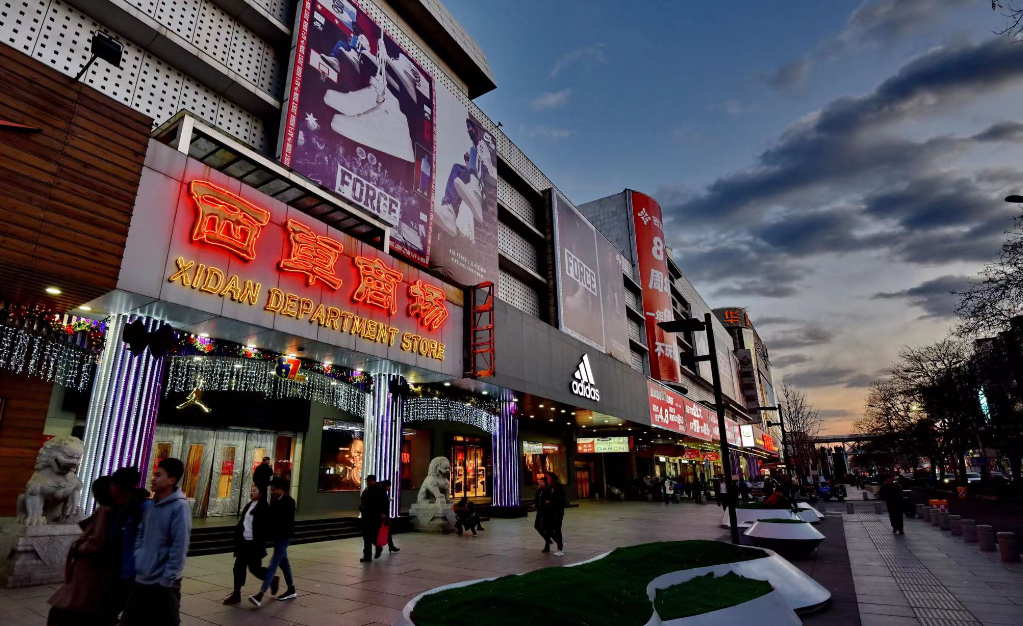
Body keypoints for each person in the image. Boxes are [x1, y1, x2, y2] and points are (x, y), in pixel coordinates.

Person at [119, 458, 191, 626]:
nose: (153, 479)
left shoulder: (180, 507)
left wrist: (167, 579)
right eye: (154, 474)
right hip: (142, 577)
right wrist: (139, 556)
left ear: (171, 480)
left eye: (158, 475)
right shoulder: (151, 504)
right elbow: (141, 532)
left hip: (164, 583)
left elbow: (179, 547)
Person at [47, 476, 116, 626]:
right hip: (88, 571)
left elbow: (97, 540)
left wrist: (79, 547)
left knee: (67, 607)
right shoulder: (108, 511)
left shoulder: (105, 512)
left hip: (88, 569)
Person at [105, 467, 151, 624]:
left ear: (119, 486)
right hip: (118, 570)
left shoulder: (144, 508)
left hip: (133, 573)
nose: (110, 488)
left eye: (112, 484)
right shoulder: (119, 508)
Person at [223, 484, 274, 605]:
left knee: (255, 569)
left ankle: (271, 579)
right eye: (251, 490)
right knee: (238, 568)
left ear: (261, 493)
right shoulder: (249, 505)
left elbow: (265, 527)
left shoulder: (263, 507)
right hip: (244, 543)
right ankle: (236, 594)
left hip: (254, 545)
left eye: (254, 491)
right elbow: (243, 523)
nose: (251, 492)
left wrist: (260, 543)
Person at [251, 476, 297, 606]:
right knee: (284, 563)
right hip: (277, 537)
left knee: (273, 564)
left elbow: (287, 521)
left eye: (274, 489)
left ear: (281, 489)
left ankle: (260, 594)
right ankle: (291, 589)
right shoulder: (275, 501)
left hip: (284, 537)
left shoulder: (289, 501)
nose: (272, 491)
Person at [359, 474, 387, 562]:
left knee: (374, 535)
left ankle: (378, 547)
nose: (367, 482)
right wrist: (361, 508)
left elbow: (384, 502)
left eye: (369, 481)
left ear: (373, 481)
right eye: (367, 481)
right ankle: (367, 556)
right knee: (366, 536)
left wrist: (383, 513)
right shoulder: (366, 490)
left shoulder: (379, 490)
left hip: (375, 516)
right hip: (366, 516)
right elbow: (363, 500)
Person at [543, 473, 566, 557]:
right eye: (547, 478)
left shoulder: (559, 487)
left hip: (558, 513)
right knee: (548, 529)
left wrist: (551, 502)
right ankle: (560, 543)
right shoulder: (549, 488)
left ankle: (560, 549)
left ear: (553, 479)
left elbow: (561, 500)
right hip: (550, 512)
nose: (548, 480)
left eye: (549, 478)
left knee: (557, 530)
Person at [381, 480, 400, 553]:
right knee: (386, 531)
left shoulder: (383, 493)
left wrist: (388, 500)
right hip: (384, 516)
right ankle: (387, 546)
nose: (389, 488)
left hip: (384, 515)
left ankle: (391, 546)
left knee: (388, 531)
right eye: (389, 486)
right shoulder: (382, 493)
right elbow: (382, 504)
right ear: (386, 486)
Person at [533, 476, 550, 551]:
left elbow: (549, 500)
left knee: (545, 527)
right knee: (537, 526)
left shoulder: (548, 490)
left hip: (546, 511)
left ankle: (547, 544)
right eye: (539, 482)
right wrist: (535, 503)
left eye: (542, 482)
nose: (540, 483)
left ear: (545, 482)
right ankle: (547, 539)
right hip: (539, 510)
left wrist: (545, 503)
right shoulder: (538, 490)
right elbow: (536, 499)